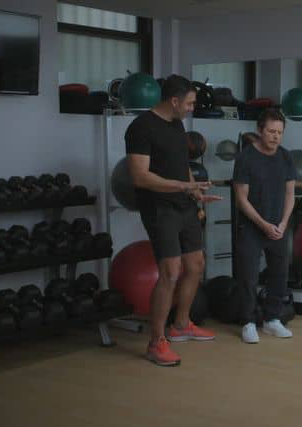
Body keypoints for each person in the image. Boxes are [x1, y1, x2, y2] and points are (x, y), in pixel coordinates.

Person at [125, 74, 222, 366]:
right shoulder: (141, 127)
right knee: (170, 272)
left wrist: (194, 192)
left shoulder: (177, 125)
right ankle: (156, 342)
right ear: (175, 101)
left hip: (184, 205)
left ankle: (180, 325)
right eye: (190, 103)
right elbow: (140, 177)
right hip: (159, 208)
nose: (192, 108)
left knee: (196, 265)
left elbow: (182, 166)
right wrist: (181, 186)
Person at [232, 109, 296, 344]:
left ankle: (272, 319)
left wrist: (283, 222)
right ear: (260, 130)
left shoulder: (285, 157)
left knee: (279, 273)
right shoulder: (246, 157)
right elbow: (241, 199)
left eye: (279, 132)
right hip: (252, 227)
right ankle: (248, 323)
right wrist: (263, 224)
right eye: (271, 131)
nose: (275, 136)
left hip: (278, 227)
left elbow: (290, 194)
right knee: (248, 276)